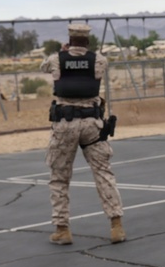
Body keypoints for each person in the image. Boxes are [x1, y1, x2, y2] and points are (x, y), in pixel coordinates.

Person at [40, 23, 125, 245]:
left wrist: (63, 51)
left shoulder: (57, 59)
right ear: (87, 40)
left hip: (64, 125)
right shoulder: (98, 60)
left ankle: (62, 229)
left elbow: (43, 67)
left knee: (59, 177)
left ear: (70, 38)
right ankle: (116, 225)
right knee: (103, 173)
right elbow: (98, 68)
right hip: (92, 124)